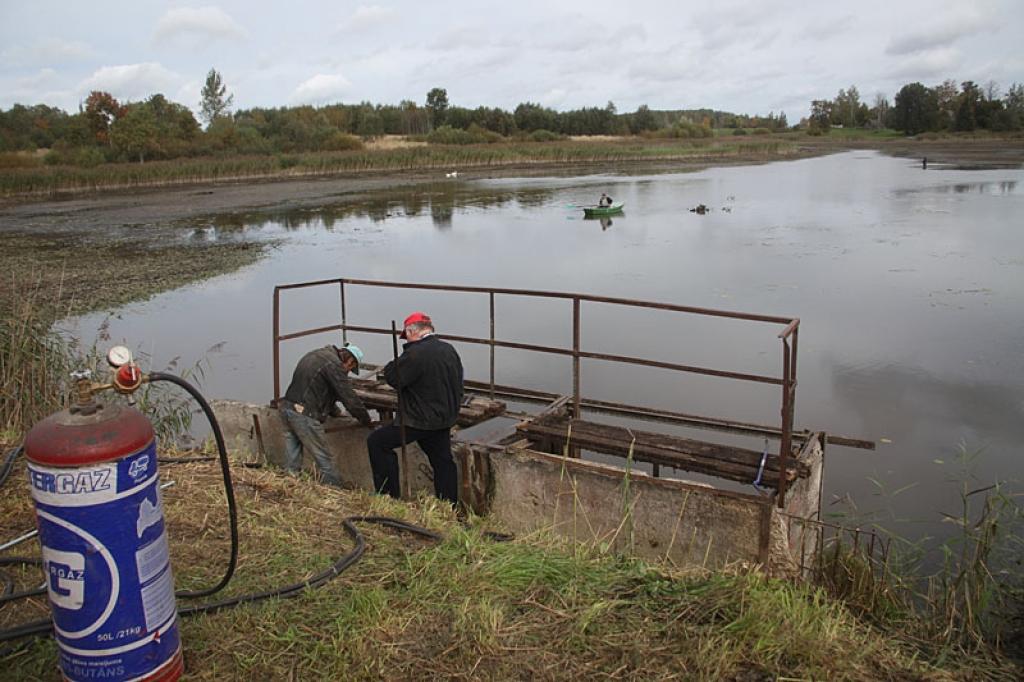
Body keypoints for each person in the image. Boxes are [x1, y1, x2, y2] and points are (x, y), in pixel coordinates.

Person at [367, 312, 464, 504]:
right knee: (442, 461)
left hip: (418, 420)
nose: (407, 339)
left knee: (377, 442)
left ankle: (388, 497)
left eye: (407, 335)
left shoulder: (415, 354)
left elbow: (394, 378)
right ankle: (449, 506)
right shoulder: (449, 350)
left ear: (412, 331)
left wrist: (393, 365)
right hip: (443, 418)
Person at [278, 343, 372, 487]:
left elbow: (320, 389)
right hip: (304, 414)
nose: (348, 371)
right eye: (350, 368)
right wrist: (366, 419)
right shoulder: (334, 365)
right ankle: (334, 489)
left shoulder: (317, 354)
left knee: (293, 453)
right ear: (350, 361)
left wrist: (336, 412)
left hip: (287, 408)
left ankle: (289, 484)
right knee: (324, 458)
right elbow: (348, 397)